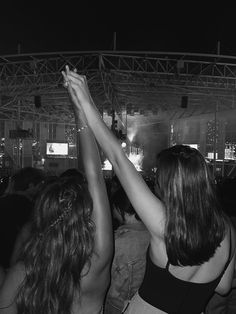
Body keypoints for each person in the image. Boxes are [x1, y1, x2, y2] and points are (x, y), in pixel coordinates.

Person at [63, 65, 236, 314]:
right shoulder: (227, 228)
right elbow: (223, 287)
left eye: (158, 177)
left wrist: (85, 100)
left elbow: (118, 160)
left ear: (169, 185)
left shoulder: (165, 223)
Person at [0, 73, 113, 314]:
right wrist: (80, 109)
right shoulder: (95, 265)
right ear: (88, 216)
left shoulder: (22, 272)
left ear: (41, 215)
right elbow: (95, 175)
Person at [104, 185, 150, 314]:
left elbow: (106, 275)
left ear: (122, 209)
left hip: (117, 304)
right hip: (141, 303)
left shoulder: (117, 241)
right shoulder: (154, 233)